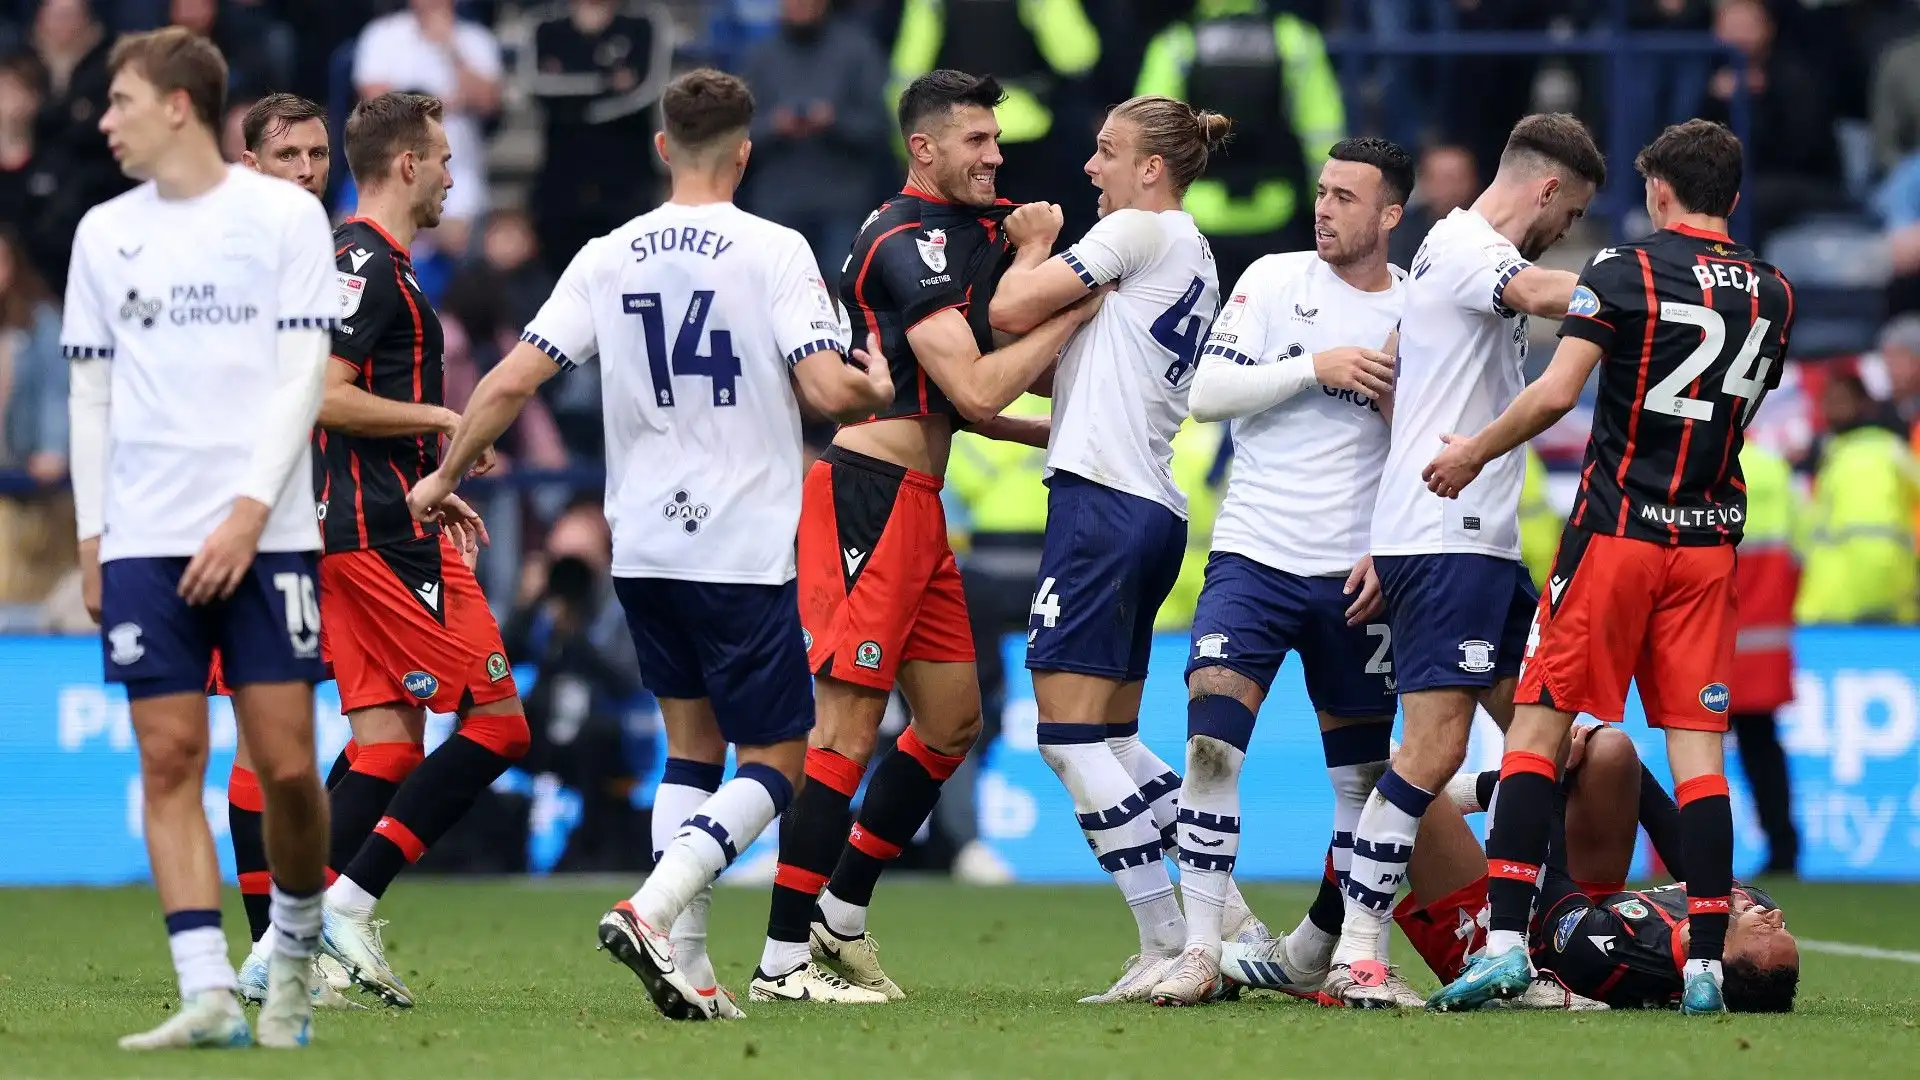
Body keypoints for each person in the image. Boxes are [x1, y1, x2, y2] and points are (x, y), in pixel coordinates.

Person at [408, 68, 897, 1021]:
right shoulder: (774, 249)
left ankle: (693, 966)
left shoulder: (608, 253)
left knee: (689, 751)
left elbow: (511, 379)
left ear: (663, 145)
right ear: (745, 152)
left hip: (642, 544)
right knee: (780, 758)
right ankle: (655, 906)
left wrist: (444, 472)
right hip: (740, 543)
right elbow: (829, 392)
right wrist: (874, 387)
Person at [1421, 119, 1795, 1015]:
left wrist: (1472, 452)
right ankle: (1704, 961)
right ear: (1732, 198)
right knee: (1700, 753)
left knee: (1539, 732)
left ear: (1659, 192)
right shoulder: (1776, 294)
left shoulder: (1623, 270)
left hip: (1618, 533)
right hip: (1706, 543)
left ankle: (1508, 945)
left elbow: (1556, 394)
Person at [754, 69, 1100, 1004]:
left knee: (951, 723)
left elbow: (987, 406)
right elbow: (983, 387)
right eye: (977, 141)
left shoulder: (981, 234)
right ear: (926, 148)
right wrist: (1078, 300)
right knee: (847, 729)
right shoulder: (901, 239)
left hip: (919, 503)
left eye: (998, 138)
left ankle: (842, 916)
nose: (997, 155)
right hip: (864, 494)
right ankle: (782, 959)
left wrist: (1058, 416)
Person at [65, 26, 335, 1049]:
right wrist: (95, 536)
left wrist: (248, 512)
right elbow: (90, 394)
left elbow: (300, 376)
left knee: (287, 768)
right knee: (168, 757)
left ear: (177, 105)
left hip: (266, 538)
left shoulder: (281, 219)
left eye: (120, 100)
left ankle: (298, 954)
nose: (105, 121)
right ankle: (208, 987)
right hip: (144, 536)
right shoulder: (103, 233)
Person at [981, 94, 1247, 1004]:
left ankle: (1169, 937)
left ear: (1150, 169)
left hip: (1102, 508)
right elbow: (1094, 380)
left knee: (1064, 740)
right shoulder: (1194, 254)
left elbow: (1015, 307)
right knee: (1113, 738)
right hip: (1145, 505)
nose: (1090, 169)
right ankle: (1232, 921)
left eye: (1105, 151)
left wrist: (1029, 242)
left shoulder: (1140, 229)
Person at [1335, 112, 1603, 1007]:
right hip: (1448, 541)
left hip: (1469, 542)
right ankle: (1354, 951)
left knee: (1544, 740)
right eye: (1575, 213)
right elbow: (1536, 294)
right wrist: (1648, 288)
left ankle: (1519, 950)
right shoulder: (1465, 247)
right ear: (1550, 189)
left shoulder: (1446, 261)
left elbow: (1401, 384)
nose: (1570, 230)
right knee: (1434, 747)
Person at [1151, 137, 1421, 1009]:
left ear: (1389, 215)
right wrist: (1315, 367)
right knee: (1208, 744)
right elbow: (1207, 394)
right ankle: (1199, 951)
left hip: (1355, 574)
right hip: (1256, 558)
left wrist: (1391, 545)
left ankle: (1348, 955)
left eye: (1347, 196)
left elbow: (1429, 447)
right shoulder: (1273, 279)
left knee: (1363, 778)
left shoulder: (1420, 313)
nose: (1325, 208)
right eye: (1321, 191)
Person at [310, 91, 529, 1010]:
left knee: (387, 745)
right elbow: (323, 394)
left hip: (378, 524)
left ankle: (293, 942)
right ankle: (344, 908)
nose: (450, 174)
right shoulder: (362, 258)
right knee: (496, 724)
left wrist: (435, 487)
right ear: (405, 165)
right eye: (441, 158)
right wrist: (447, 419)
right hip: (381, 536)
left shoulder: (384, 264)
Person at [213, 90, 355, 1008]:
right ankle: (269, 944)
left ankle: (289, 935)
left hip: (318, 518)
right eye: (289, 155)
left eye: (317, 153)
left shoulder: (321, 251)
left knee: (305, 736)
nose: (308, 170)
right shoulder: (229, 251)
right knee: (261, 740)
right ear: (251, 162)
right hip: (241, 516)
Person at [1376, 725, 1799, 1012]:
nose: (1775, 916)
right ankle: (1481, 788)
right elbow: (1670, 829)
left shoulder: (1619, 956)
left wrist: (1551, 772)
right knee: (1611, 749)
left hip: (1506, 938)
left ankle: (1341, 948)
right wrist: (1584, 756)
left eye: (1767, 930)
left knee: (1397, 775)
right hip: (1584, 898)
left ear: (1720, 960)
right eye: (1782, 926)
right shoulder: (1745, 904)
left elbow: (1548, 875)